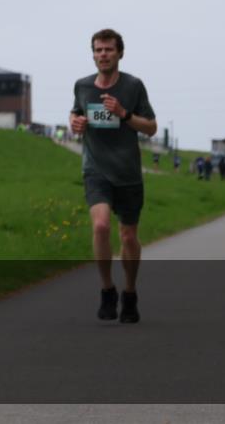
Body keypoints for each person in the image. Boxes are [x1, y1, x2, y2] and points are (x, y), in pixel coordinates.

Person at [70, 28, 157, 324]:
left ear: (120, 53)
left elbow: (151, 128)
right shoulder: (82, 86)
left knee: (128, 236)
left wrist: (124, 114)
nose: (103, 54)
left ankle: (129, 293)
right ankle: (107, 290)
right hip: (96, 170)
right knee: (101, 226)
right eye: (98, 50)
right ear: (93, 54)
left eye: (108, 49)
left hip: (128, 172)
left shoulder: (133, 86)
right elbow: (75, 112)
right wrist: (75, 122)